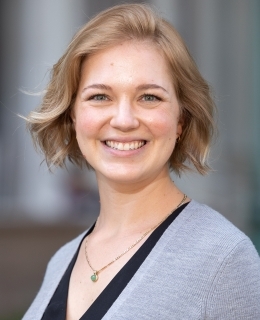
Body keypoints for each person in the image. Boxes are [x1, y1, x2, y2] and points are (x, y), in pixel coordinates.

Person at [22, 3, 260, 320]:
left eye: (149, 97)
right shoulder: (61, 261)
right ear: (73, 115)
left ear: (181, 119)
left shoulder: (225, 260)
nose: (123, 120)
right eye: (100, 96)